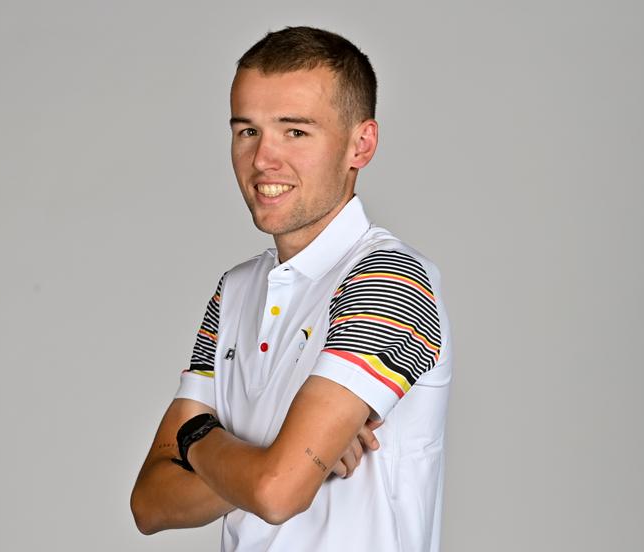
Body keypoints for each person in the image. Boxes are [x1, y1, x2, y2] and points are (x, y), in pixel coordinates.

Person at [130, 26, 452, 552]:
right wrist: (272, 461)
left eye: (295, 132)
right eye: (247, 131)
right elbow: (149, 503)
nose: (262, 159)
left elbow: (279, 493)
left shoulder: (389, 279)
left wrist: (197, 440)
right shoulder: (233, 291)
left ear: (360, 144)